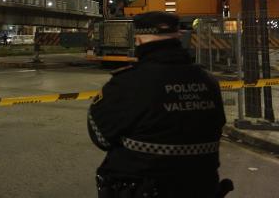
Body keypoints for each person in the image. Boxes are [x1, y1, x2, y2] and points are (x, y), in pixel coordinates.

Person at [88, 11, 230, 198]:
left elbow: (101, 138)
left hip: (142, 188)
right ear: (178, 36)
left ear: (138, 40)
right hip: (203, 187)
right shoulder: (209, 82)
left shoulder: (126, 83)